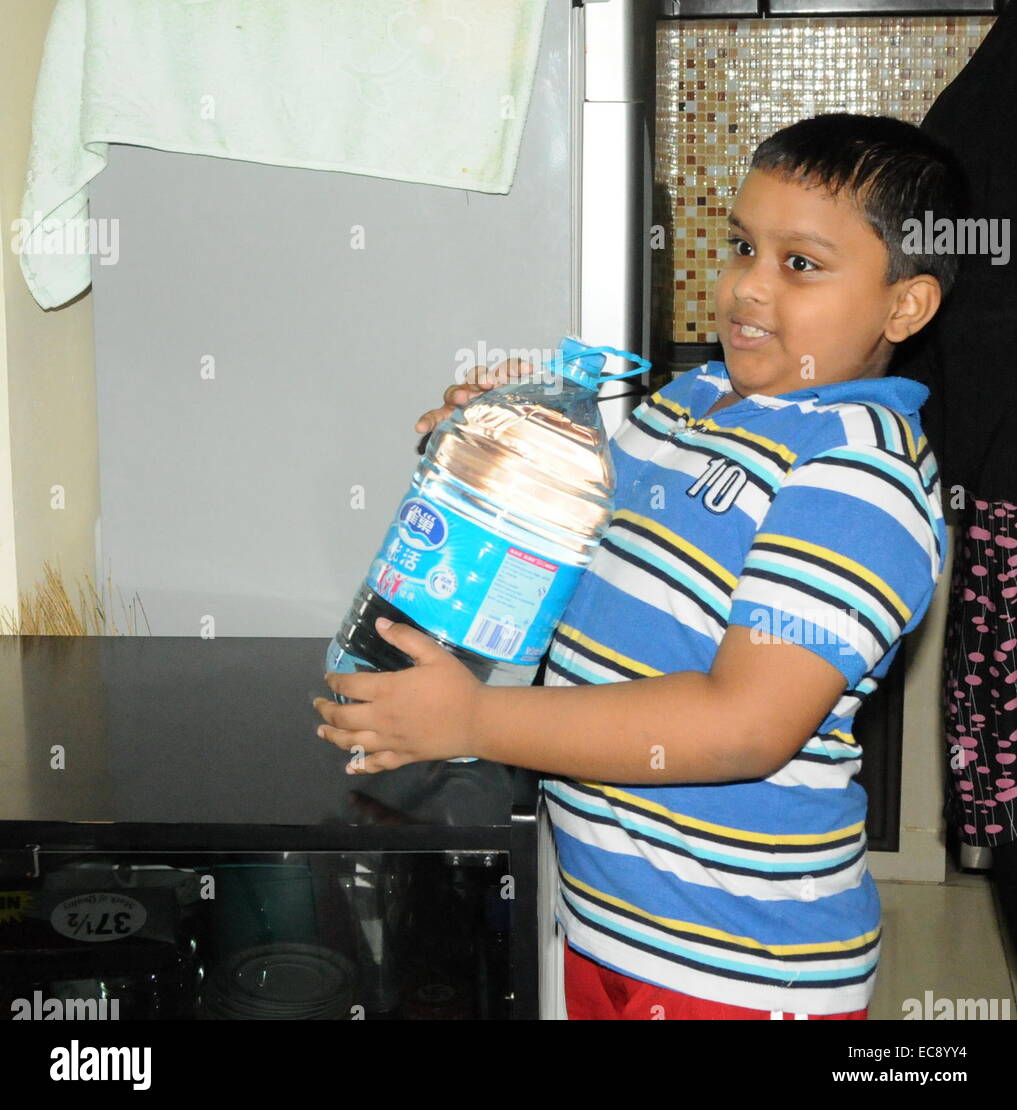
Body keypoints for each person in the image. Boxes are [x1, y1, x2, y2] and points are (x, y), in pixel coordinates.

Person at [313, 114, 962, 1020]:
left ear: (904, 306)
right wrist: (506, 450)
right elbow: (592, 558)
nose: (746, 288)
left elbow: (743, 725)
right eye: (742, 246)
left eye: (799, 264)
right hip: (614, 928)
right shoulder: (688, 403)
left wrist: (476, 717)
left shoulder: (857, 473)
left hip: (744, 967)